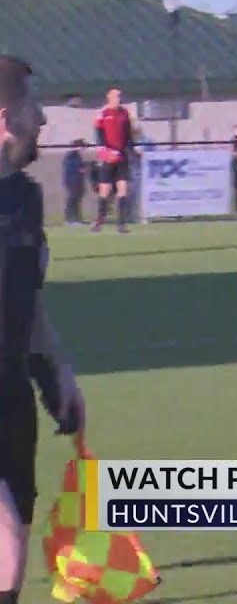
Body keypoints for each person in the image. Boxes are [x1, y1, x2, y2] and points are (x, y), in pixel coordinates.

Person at [0, 55, 85, 604]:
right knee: (5, 523)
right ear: (5, 118)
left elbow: (30, 299)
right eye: (32, 104)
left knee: (18, 522)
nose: (44, 118)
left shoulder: (26, 199)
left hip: (11, 385)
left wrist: (59, 377)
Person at [92, 89, 134, 233]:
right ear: (109, 97)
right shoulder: (103, 113)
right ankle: (99, 222)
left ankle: (121, 224)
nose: (118, 98)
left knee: (123, 189)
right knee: (104, 190)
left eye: (120, 96)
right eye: (116, 96)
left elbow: (128, 134)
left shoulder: (124, 113)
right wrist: (104, 150)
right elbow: (99, 133)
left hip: (122, 156)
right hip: (108, 156)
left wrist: (131, 149)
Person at [61, 139, 88, 225]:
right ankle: (69, 219)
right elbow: (70, 168)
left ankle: (77, 219)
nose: (83, 149)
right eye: (82, 147)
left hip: (78, 181)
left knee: (77, 200)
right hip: (72, 181)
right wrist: (80, 170)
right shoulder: (70, 155)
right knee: (72, 199)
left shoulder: (77, 156)